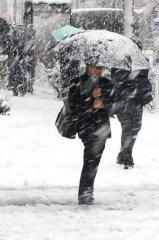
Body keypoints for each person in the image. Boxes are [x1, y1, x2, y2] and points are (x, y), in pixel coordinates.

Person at [67, 59, 114, 205]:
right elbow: (73, 105)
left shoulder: (107, 83)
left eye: (101, 67)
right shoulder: (77, 82)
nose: (99, 70)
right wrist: (90, 98)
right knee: (90, 159)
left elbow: (115, 104)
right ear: (88, 66)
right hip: (86, 126)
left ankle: (86, 192)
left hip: (101, 127)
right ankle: (85, 193)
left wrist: (104, 102)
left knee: (93, 160)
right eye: (95, 67)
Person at [111, 38, 153, 169]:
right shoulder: (118, 61)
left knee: (135, 128)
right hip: (122, 101)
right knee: (127, 128)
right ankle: (127, 156)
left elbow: (144, 80)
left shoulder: (143, 62)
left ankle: (123, 154)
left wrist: (144, 92)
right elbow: (116, 81)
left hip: (137, 101)